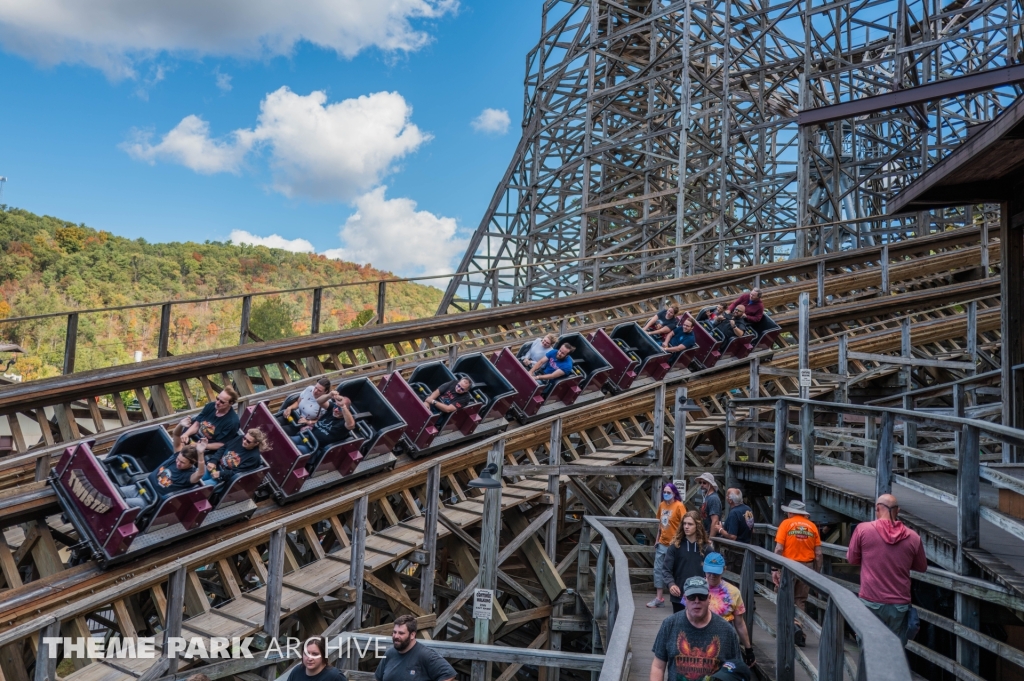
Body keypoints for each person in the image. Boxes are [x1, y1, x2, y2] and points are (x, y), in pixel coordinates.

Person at [846, 493, 927, 646]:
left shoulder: (863, 530)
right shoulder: (914, 537)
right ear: (898, 511)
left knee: (868, 650)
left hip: (870, 600)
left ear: (877, 508)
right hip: (899, 604)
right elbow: (922, 567)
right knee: (894, 651)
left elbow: (852, 559)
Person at [650, 576, 742, 681]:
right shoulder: (669, 624)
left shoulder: (727, 630)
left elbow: (737, 670)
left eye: (702, 596)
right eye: (692, 596)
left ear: (709, 598)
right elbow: (658, 666)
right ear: (684, 598)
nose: (696, 601)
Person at [772, 499, 822, 647]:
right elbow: (818, 553)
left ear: (792, 512)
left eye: (788, 511)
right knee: (800, 600)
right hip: (807, 567)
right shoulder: (812, 526)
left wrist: (775, 568)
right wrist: (816, 572)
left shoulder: (786, 524)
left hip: (788, 566)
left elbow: (779, 549)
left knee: (784, 597)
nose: (787, 513)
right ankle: (798, 628)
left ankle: (785, 631)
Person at [703, 552, 755, 667]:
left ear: (724, 570)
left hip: (725, 640)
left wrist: (748, 649)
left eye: (716, 572)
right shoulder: (695, 589)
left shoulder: (733, 592)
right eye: (709, 571)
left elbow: (740, 623)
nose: (712, 575)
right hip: (701, 640)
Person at [661, 511, 714, 613]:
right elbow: (666, 570)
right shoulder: (674, 547)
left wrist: (709, 581)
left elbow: (715, 571)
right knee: (680, 626)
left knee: (700, 626)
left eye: (690, 524)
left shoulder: (707, 549)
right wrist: (671, 584)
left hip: (700, 596)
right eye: (684, 524)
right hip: (679, 593)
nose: (686, 527)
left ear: (697, 526)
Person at [375, 614, 456, 681]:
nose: (396, 636)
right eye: (394, 632)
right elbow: (378, 678)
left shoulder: (425, 655)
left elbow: (449, 674)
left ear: (412, 635)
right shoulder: (389, 654)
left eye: (401, 633)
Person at [119, 445, 202, 509]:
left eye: (182, 462)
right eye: (178, 459)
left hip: (149, 500)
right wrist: (181, 425)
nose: (178, 463)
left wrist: (200, 453)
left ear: (192, 463)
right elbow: (176, 435)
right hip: (141, 487)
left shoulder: (188, 476)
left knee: (120, 503)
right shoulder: (174, 458)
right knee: (115, 492)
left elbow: (200, 473)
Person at [648, 482, 686, 608]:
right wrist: (657, 539)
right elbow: (660, 523)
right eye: (664, 492)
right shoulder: (662, 505)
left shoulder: (679, 506)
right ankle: (659, 598)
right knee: (658, 570)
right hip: (662, 543)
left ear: (674, 493)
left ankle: (680, 598)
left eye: (669, 492)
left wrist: (682, 541)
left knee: (676, 570)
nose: (666, 494)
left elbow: (685, 524)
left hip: (675, 544)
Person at [173, 388, 241, 452]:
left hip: (207, 446)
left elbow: (221, 444)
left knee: (185, 453)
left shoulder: (232, 422)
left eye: (222, 402)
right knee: (180, 443)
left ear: (231, 403)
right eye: (217, 399)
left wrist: (201, 446)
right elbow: (197, 423)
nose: (217, 403)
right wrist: (186, 434)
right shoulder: (211, 406)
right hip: (194, 436)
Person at [203, 427, 269, 487]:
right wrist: (213, 460)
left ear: (256, 443)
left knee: (201, 487)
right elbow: (224, 447)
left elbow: (237, 473)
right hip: (214, 467)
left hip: (222, 479)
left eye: (248, 441)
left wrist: (220, 474)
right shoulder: (240, 438)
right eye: (244, 438)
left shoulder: (254, 458)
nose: (244, 441)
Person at [291, 397, 357, 455]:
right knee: (288, 441)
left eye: (339, 408)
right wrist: (330, 395)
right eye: (335, 406)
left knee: (293, 450)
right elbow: (319, 401)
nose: (336, 410)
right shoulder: (332, 409)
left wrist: (343, 406)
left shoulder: (345, 421)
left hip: (315, 448)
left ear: (346, 410)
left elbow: (351, 425)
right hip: (308, 437)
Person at [718, 488, 755, 575]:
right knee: (742, 574)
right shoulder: (748, 509)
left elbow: (732, 536)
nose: (726, 497)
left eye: (727, 495)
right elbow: (752, 529)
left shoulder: (734, 513)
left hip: (735, 551)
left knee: (732, 576)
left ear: (730, 500)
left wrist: (720, 529)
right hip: (746, 547)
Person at [696, 472, 723, 537]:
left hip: (711, 536)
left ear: (710, 484)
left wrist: (711, 539)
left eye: (704, 483)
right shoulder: (706, 497)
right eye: (700, 482)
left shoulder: (713, 499)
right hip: (705, 534)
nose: (702, 485)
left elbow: (715, 521)